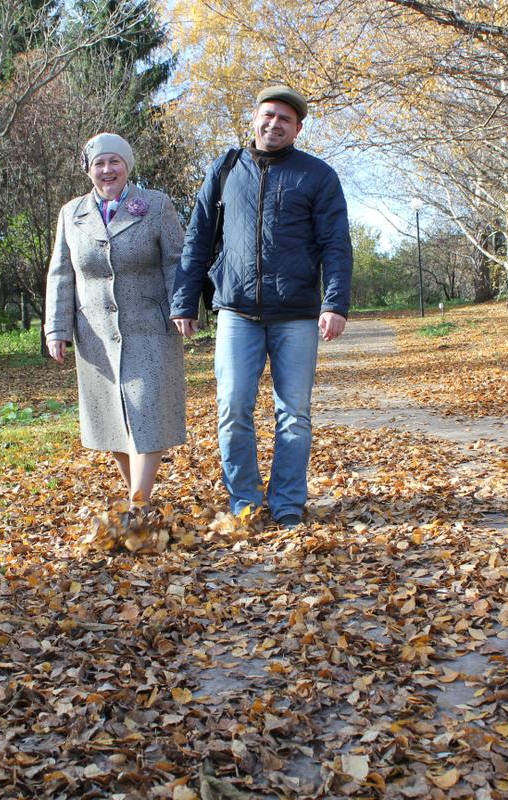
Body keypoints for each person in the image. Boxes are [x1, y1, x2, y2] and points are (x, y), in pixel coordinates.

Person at [170, 85, 352, 528]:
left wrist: (335, 303)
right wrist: (185, 299)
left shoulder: (317, 175)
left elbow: (336, 243)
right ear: (254, 119)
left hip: (297, 314)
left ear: (298, 129)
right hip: (236, 311)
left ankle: (287, 502)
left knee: (294, 414)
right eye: (268, 115)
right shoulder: (225, 169)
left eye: (285, 119)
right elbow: (198, 237)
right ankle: (245, 502)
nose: (274, 124)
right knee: (232, 408)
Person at [45, 132, 186, 503]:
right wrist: (56, 328)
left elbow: (176, 261)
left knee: (148, 412)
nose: (107, 170)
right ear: (89, 170)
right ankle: (141, 501)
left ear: (127, 166)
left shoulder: (156, 205)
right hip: (95, 332)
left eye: (114, 162)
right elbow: (61, 273)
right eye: (99, 164)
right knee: (110, 420)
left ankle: (137, 503)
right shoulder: (71, 214)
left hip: (151, 326)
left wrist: (183, 307)